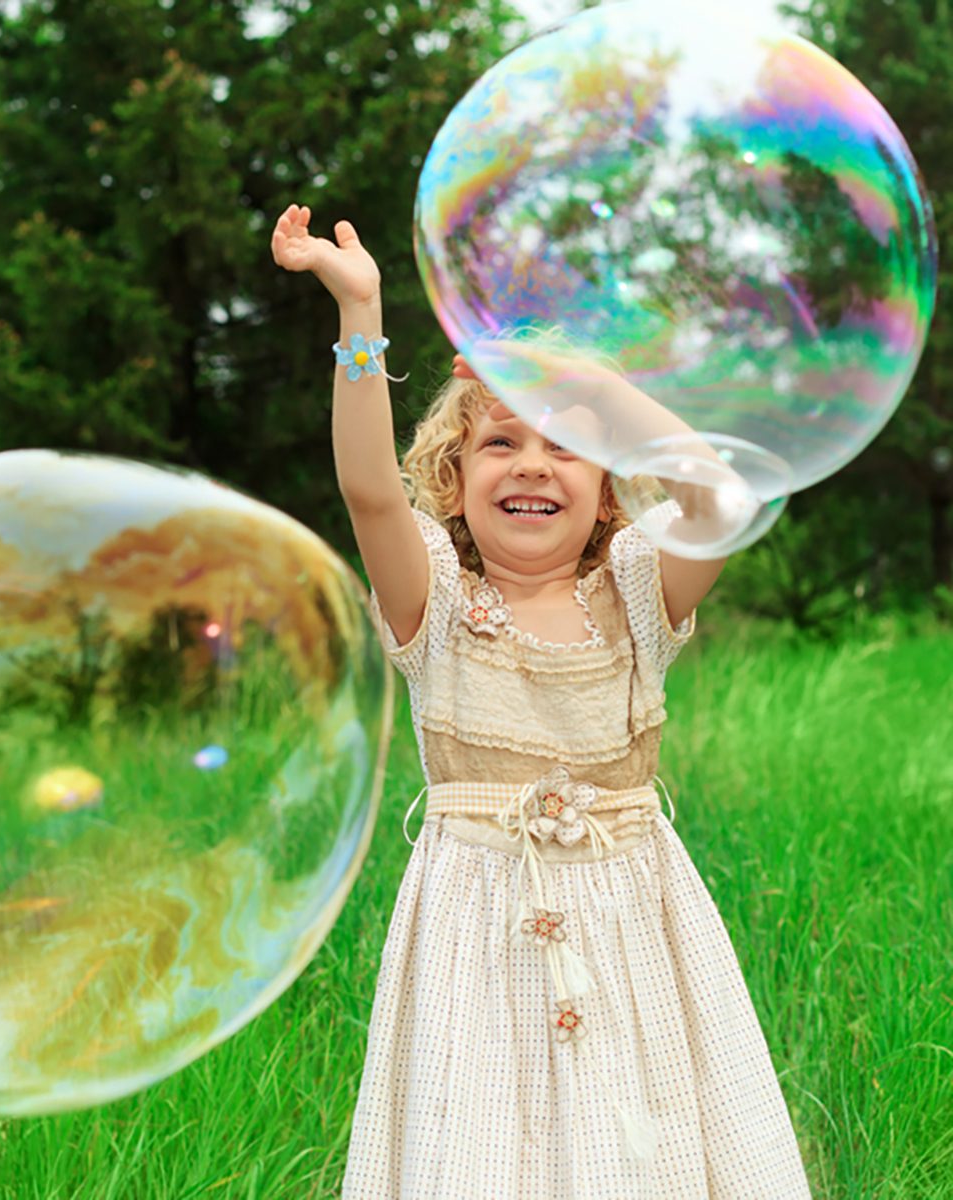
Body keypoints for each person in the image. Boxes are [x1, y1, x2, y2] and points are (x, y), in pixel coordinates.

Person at [271, 203, 812, 1199]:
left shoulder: (641, 592)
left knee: (636, 1143)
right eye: (499, 444)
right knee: (476, 1147)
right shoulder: (434, 599)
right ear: (456, 479)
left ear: (607, 490)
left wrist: (590, 386)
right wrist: (361, 314)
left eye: (564, 445)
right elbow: (367, 492)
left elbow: (722, 500)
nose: (531, 464)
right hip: (475, 938)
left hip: (632, 928)